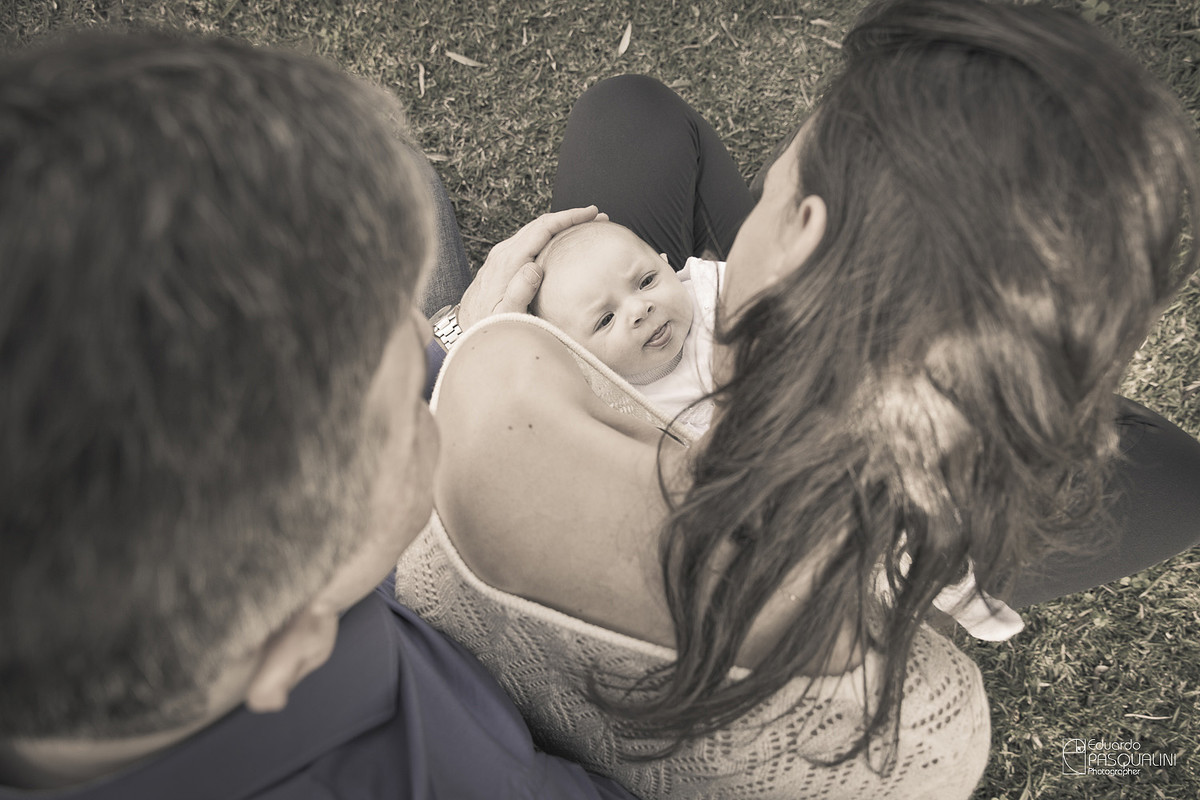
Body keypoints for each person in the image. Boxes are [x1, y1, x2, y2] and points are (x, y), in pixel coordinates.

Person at [396, 1, 1200, 798]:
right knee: (1177, 476)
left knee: (628, 113)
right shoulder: (928, 734)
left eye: (785, 164)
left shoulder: (492, 383)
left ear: (806, 224)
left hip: (459, 669)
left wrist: (457, 336)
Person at [0, 30, 638, 799]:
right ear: (303, 649)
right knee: (632, 121)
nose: (423, 335)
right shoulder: (451, 774)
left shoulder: (211, 609)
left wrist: (460, 333)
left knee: (403, 175)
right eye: (406, 412)